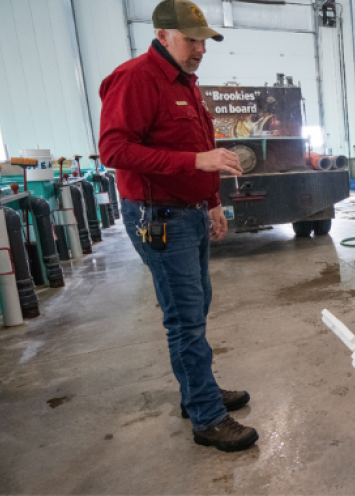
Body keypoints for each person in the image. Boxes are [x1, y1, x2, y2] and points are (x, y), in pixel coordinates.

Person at [99, 0, 257, 452]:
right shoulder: (135, 79)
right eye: (192, 40)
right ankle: (207, 417)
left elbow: (200, 145)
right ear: (163, 35)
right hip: (159, 217)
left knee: (197, 306)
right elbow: (113, 150)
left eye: (204, 40)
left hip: (188, 212)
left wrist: (210, 202)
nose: (201, 49)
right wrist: (195, 162)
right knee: (184, 318)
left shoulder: (186, 83)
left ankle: (197, 391)